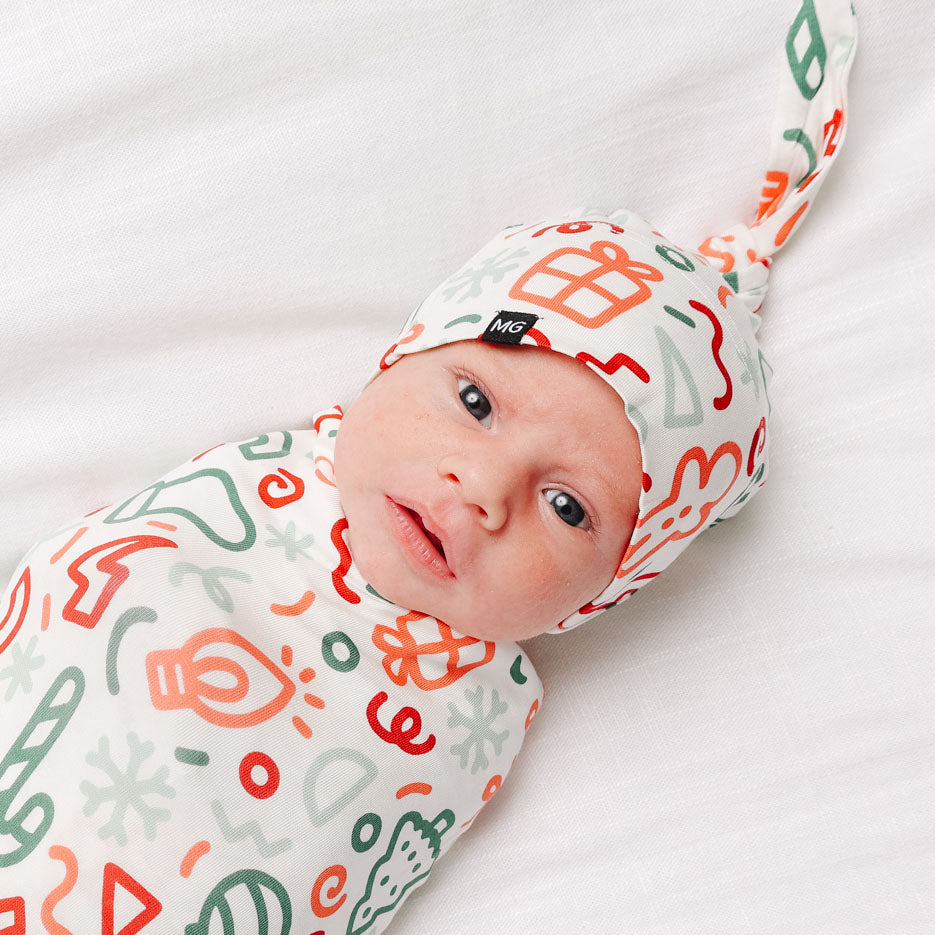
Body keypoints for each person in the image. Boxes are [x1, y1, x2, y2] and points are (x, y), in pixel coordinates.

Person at [0, 1, 856, 932]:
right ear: (401, 356)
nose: (483, 493)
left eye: (568, 507)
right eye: (476, 403)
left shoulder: (461, 722)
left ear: (604, 593)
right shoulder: (246, 496)